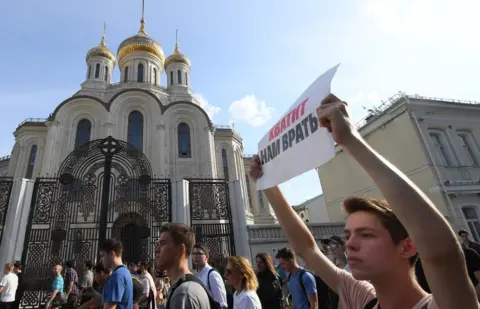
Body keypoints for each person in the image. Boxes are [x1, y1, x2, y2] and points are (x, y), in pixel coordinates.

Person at [249, 93, 479, 308]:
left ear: (408, 246)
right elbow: (307, 249)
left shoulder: (447, 303)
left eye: (366, 234)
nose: (349, 245)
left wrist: (351, 140)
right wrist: (267, 184)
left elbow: (442, 253)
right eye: (349, 235)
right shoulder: (360, 296)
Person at [155, 223, 211, 309]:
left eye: (163, 243)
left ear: (181, 249)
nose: (157, 250)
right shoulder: (180, 287)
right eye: (158, 244)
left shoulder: (184, 294)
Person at [78, 262, 143, 309]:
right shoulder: (109, 282)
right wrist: (94, 293)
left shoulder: (112, 282)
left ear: (101, 273)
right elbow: (105, 300)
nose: (94, 277)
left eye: (95, 274)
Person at [99, 238, 133, 309]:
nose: (101, 260)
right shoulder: (125, 272)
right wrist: (93, 292)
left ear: (112, 254)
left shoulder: (117, 275)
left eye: (102, 256)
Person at [192, 244, 228, 308]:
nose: (195, 256)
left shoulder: (212, 275)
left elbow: (221, 303)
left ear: (206, 257)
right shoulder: (198, 275)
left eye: (199, 253)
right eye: (194, 254)